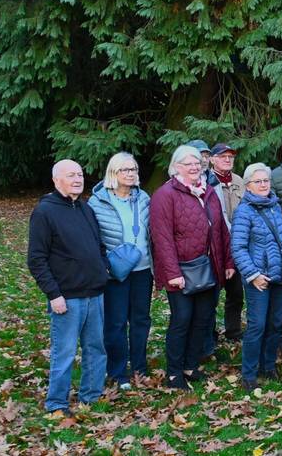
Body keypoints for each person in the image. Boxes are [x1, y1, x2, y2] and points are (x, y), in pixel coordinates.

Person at [28, 160, 109, 418]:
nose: (77, 179)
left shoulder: (85, 209)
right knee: (64, 354)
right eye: (71, 175)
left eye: (80, 174)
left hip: (94, 294)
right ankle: (57, 404)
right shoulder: (44, 212)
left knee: (96, 349)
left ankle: (91, 396)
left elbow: (98, 245)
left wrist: (103, 267)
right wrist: (54, 294)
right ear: (56, 180)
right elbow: (36, 260)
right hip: (66, 298)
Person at [150, 145, 235, 390]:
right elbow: (162, 238)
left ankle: (190, 365)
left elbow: (221, 229)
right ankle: (174, 373)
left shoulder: (207, 191)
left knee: (202, 319)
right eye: (188, 164)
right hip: (182, 271)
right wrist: (172, 273)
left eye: (197, 163)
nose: (195, 167)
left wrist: (228, 261)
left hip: (209, 267)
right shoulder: (165, 195)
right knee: (182, 320)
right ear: (176, 167)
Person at [88, 152, 153, 390]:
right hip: (114, 272)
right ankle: (118, 372)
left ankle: (139, 367)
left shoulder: (144, 198)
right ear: (113, 173)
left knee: (141, 320)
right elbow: (93, 238)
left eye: (134, 169)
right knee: (115, 323)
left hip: (143, 270)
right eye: (125, 170)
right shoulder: (98, 202)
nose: (131, 174)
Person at [228, 163, 282, 392]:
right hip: (258, 278)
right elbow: (239, 247)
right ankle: (249, 373)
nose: (264, 185)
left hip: (278, 276)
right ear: (248, 186)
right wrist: (253, 275)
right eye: (258, 182)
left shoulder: (275, 206)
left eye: (266, 181)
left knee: (275, 324)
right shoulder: (244, 211)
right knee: (257, 325)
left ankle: (268, 366)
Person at [207, 143, 245, 343]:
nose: (227, 160)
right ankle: (209, 334)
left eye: (230, 157)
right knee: (211, 295)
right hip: (215, 245)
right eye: (223, 157)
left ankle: (233, 331)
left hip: (237, 244)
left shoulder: (239, 181)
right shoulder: (207, 181)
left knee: (236, 292)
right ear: (212, 159)